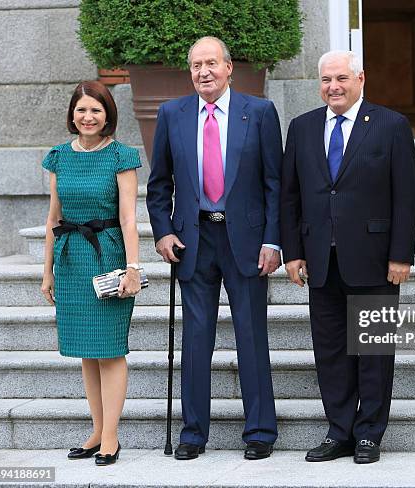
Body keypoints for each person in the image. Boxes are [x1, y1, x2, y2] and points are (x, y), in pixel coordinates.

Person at [280, 50, 415, 464]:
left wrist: (401, 255)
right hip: (320, 259)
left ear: (360, 78)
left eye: (341, 78)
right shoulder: (302, 127)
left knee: (373, 350)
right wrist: (293, 252)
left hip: (376, 258)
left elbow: (406, 197)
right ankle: (339, 430)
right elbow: (291, 197)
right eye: (326, 80)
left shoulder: (391, 125)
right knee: (330, 351)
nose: (333, 87)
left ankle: (369, 434)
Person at [146, 36, 281, 461]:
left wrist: (273, 240)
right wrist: (164, 231)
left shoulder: (258, 112)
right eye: (195, 65)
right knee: (196, 338)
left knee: (251, 336)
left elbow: (275, 185)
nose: (203, 72)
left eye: (211, 64)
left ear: (228, 69)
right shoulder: (172, 114)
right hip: (193, 240)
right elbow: (159, 185)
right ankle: (192, 433)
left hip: (245, 240)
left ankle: (260, 431)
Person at [40, 80, 142, 466]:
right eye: (81, 110)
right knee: (86, 351)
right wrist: (47, 271)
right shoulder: (58, 157)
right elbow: (53, 217)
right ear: (72, 114)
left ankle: (112, 437)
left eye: (96, 110)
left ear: (108, 114)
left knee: (110, 349)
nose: (88, 116)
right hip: (70, 258)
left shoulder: (121, 155)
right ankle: (97, 430)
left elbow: (129, 218)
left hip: (108, 255)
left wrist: (132, 268)